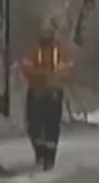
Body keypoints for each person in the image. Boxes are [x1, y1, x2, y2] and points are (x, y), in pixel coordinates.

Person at [21, 17, 73, 170]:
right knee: (34, 125)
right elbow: (26, 67)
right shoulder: (34, 52)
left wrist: (51, 76)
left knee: (51, 126)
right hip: (36, 92)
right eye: (43, 32)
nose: (45, 35)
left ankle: (49, 158)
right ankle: (39, 153)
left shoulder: (59, 53)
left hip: (53, 94)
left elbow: (67, 69)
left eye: (48, 32)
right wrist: (41, 75)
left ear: (53, 34)